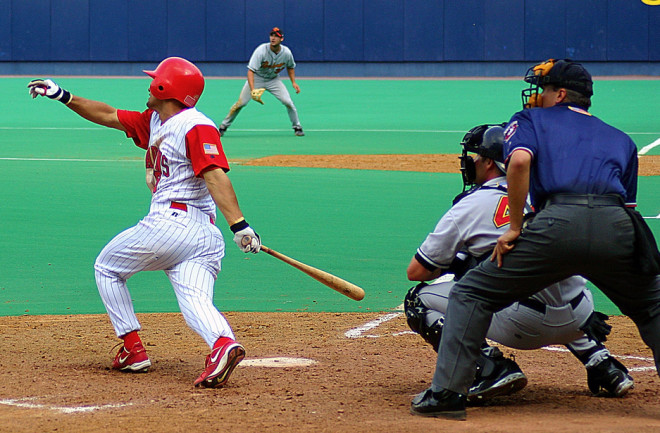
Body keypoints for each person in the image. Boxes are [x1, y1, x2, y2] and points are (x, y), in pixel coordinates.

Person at [410, 58, 660, 420]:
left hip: (558, 221)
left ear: (560, 94)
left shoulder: (529, 120)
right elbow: (628, 206)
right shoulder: (621, 138)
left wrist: (514, 227)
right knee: (653, 306)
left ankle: (448, 394)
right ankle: (595, 355)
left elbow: (520, 162)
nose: (537, 95)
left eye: (543, 89)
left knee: (471, 293)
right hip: (618, 225)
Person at [28, 57, 262, 389]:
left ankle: (133, 350)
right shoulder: (155, 121)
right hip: (204, 237)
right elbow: (109, 115)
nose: (149, 84)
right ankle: (223, 344)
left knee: (107, 268)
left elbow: (213, 174)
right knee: (196, 299)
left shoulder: (197, 125)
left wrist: (239, 224)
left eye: (155, 80)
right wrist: (64, 96)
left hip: (171, 225)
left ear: (166, 88)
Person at [405, 123, 633, 406]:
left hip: (523, 325)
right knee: (550, 270)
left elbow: (417, 271)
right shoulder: (550, 192)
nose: (470, 162)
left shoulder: (470, 205)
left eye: (475, 156)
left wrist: (461, 262)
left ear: (489, 161)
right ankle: (601, 363)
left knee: (421, 300)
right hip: (581, 313)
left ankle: (488, 368)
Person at [218, 27, 304, 137]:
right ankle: (223, 126)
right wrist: (253, 89)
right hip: (257, 78)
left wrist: (293, 82)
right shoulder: (261, 51)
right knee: (241, 103)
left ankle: (297, 126)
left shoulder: (286, 53)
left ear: (281, 39)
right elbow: (250, 71)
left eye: (276, 36)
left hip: (273, 80)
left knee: (288, 102)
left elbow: (290, 67)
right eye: (272, 35)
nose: (273, 38)